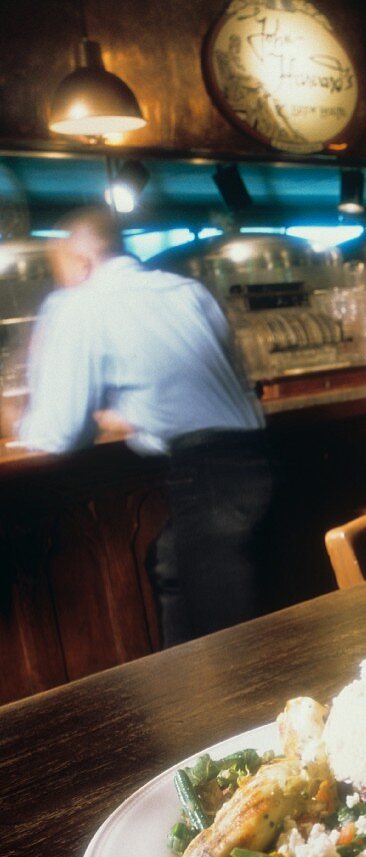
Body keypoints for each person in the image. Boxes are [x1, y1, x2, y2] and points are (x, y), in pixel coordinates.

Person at [19, 205, 275, 647]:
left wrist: (17, 418)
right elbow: (228, 384)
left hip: (206, 477)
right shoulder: (186, 290)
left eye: (55, 263)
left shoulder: (80, 304)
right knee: (174, 570)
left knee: (232, 650)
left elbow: (57, 434)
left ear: (81, 259)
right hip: (260, 461)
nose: (55, 276)